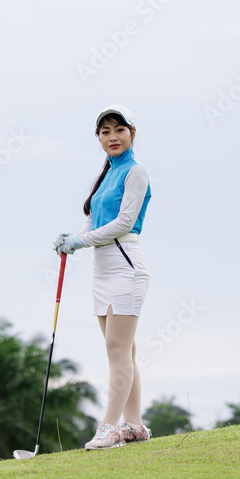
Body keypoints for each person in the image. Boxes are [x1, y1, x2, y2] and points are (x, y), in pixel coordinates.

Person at [54, 104, 152, 450]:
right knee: (124, 351)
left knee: (117, 348)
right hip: (102, 271)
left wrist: (81, 241)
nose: (112, 137)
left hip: (126, 266)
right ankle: (135, 425)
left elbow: (124, 222)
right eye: (105, 132)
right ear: (98, 137)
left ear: (132, 133)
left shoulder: (134, 172)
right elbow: (94, 220)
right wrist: (72, 240)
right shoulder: (107, 173)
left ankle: (110, 427)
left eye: (119, 129)